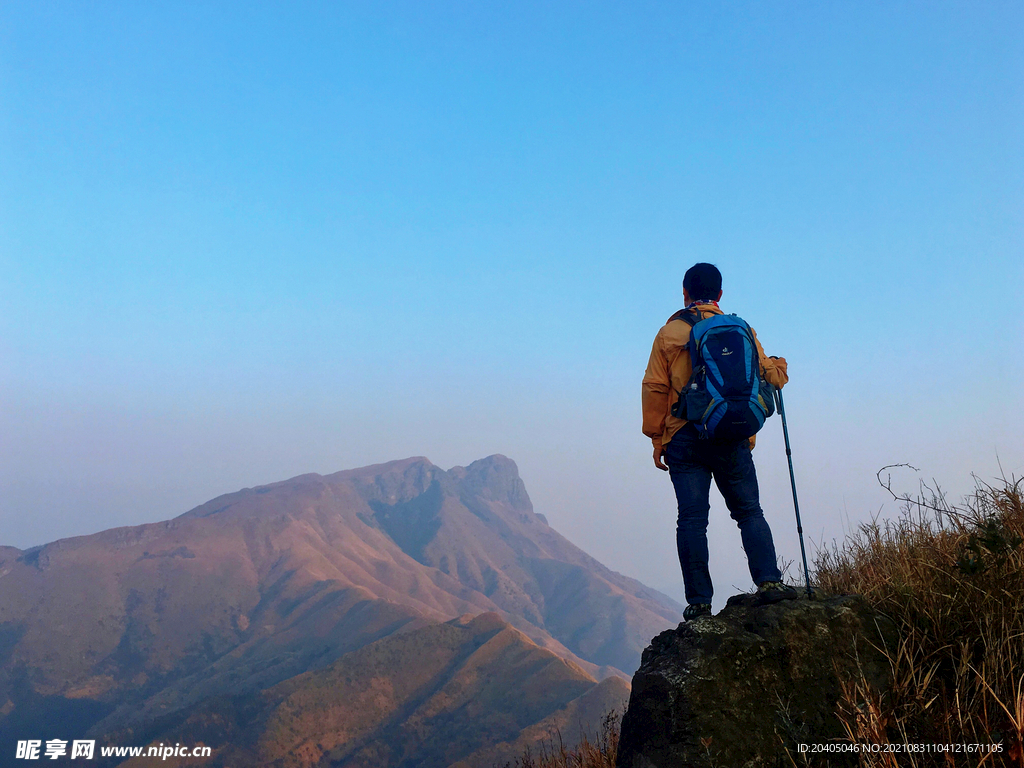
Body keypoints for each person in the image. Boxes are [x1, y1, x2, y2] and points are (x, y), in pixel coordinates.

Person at [642, 263, 797, 621]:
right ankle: (769, 582)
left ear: (684, 293)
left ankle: (699, 603)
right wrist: (780, 364)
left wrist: (656, 438)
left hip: (683, 437)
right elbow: (769, 374)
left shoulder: (669, 334)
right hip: (730, 434)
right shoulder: (740, 330)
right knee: (749, 512)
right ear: (720, 295)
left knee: (692, 520)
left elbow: (654, 388)